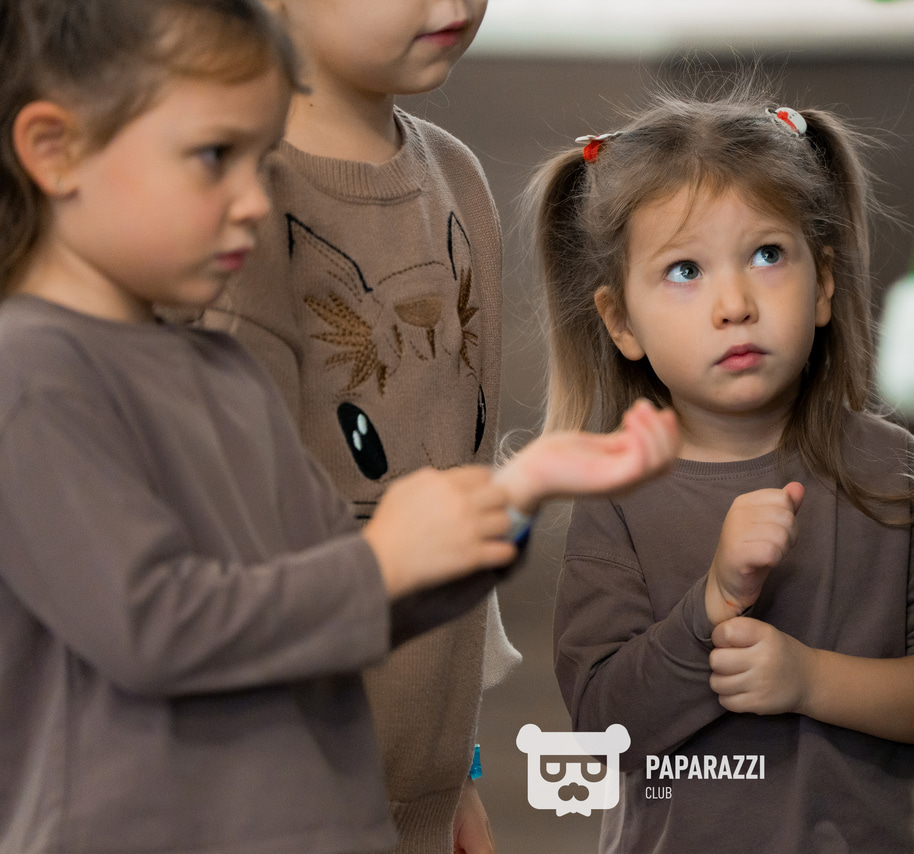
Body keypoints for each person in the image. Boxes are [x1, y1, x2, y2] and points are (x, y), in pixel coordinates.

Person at [0, 2, 678, 853]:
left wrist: (515, 496)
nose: (256, 200)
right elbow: (157, 626)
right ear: (54, 150)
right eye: (214, 158)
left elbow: (337, 601)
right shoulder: (32, 377)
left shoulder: (216, 377)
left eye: (259, 159)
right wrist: (380, 562)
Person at [529, 86, 914, 853]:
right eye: (684, 270)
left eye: (767, 255)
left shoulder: (895, 475)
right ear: (621, 321)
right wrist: (712, 605)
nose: (734, 303)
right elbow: (601, 729)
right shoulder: (617, 495)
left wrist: (809, 680)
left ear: (823, 283)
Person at [186, 1, 515, 850]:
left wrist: (459, 771)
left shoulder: (458, 177)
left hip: (423, 786)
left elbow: (464, 485)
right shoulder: (239, 209)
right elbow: (230, 553)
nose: (454, 6)